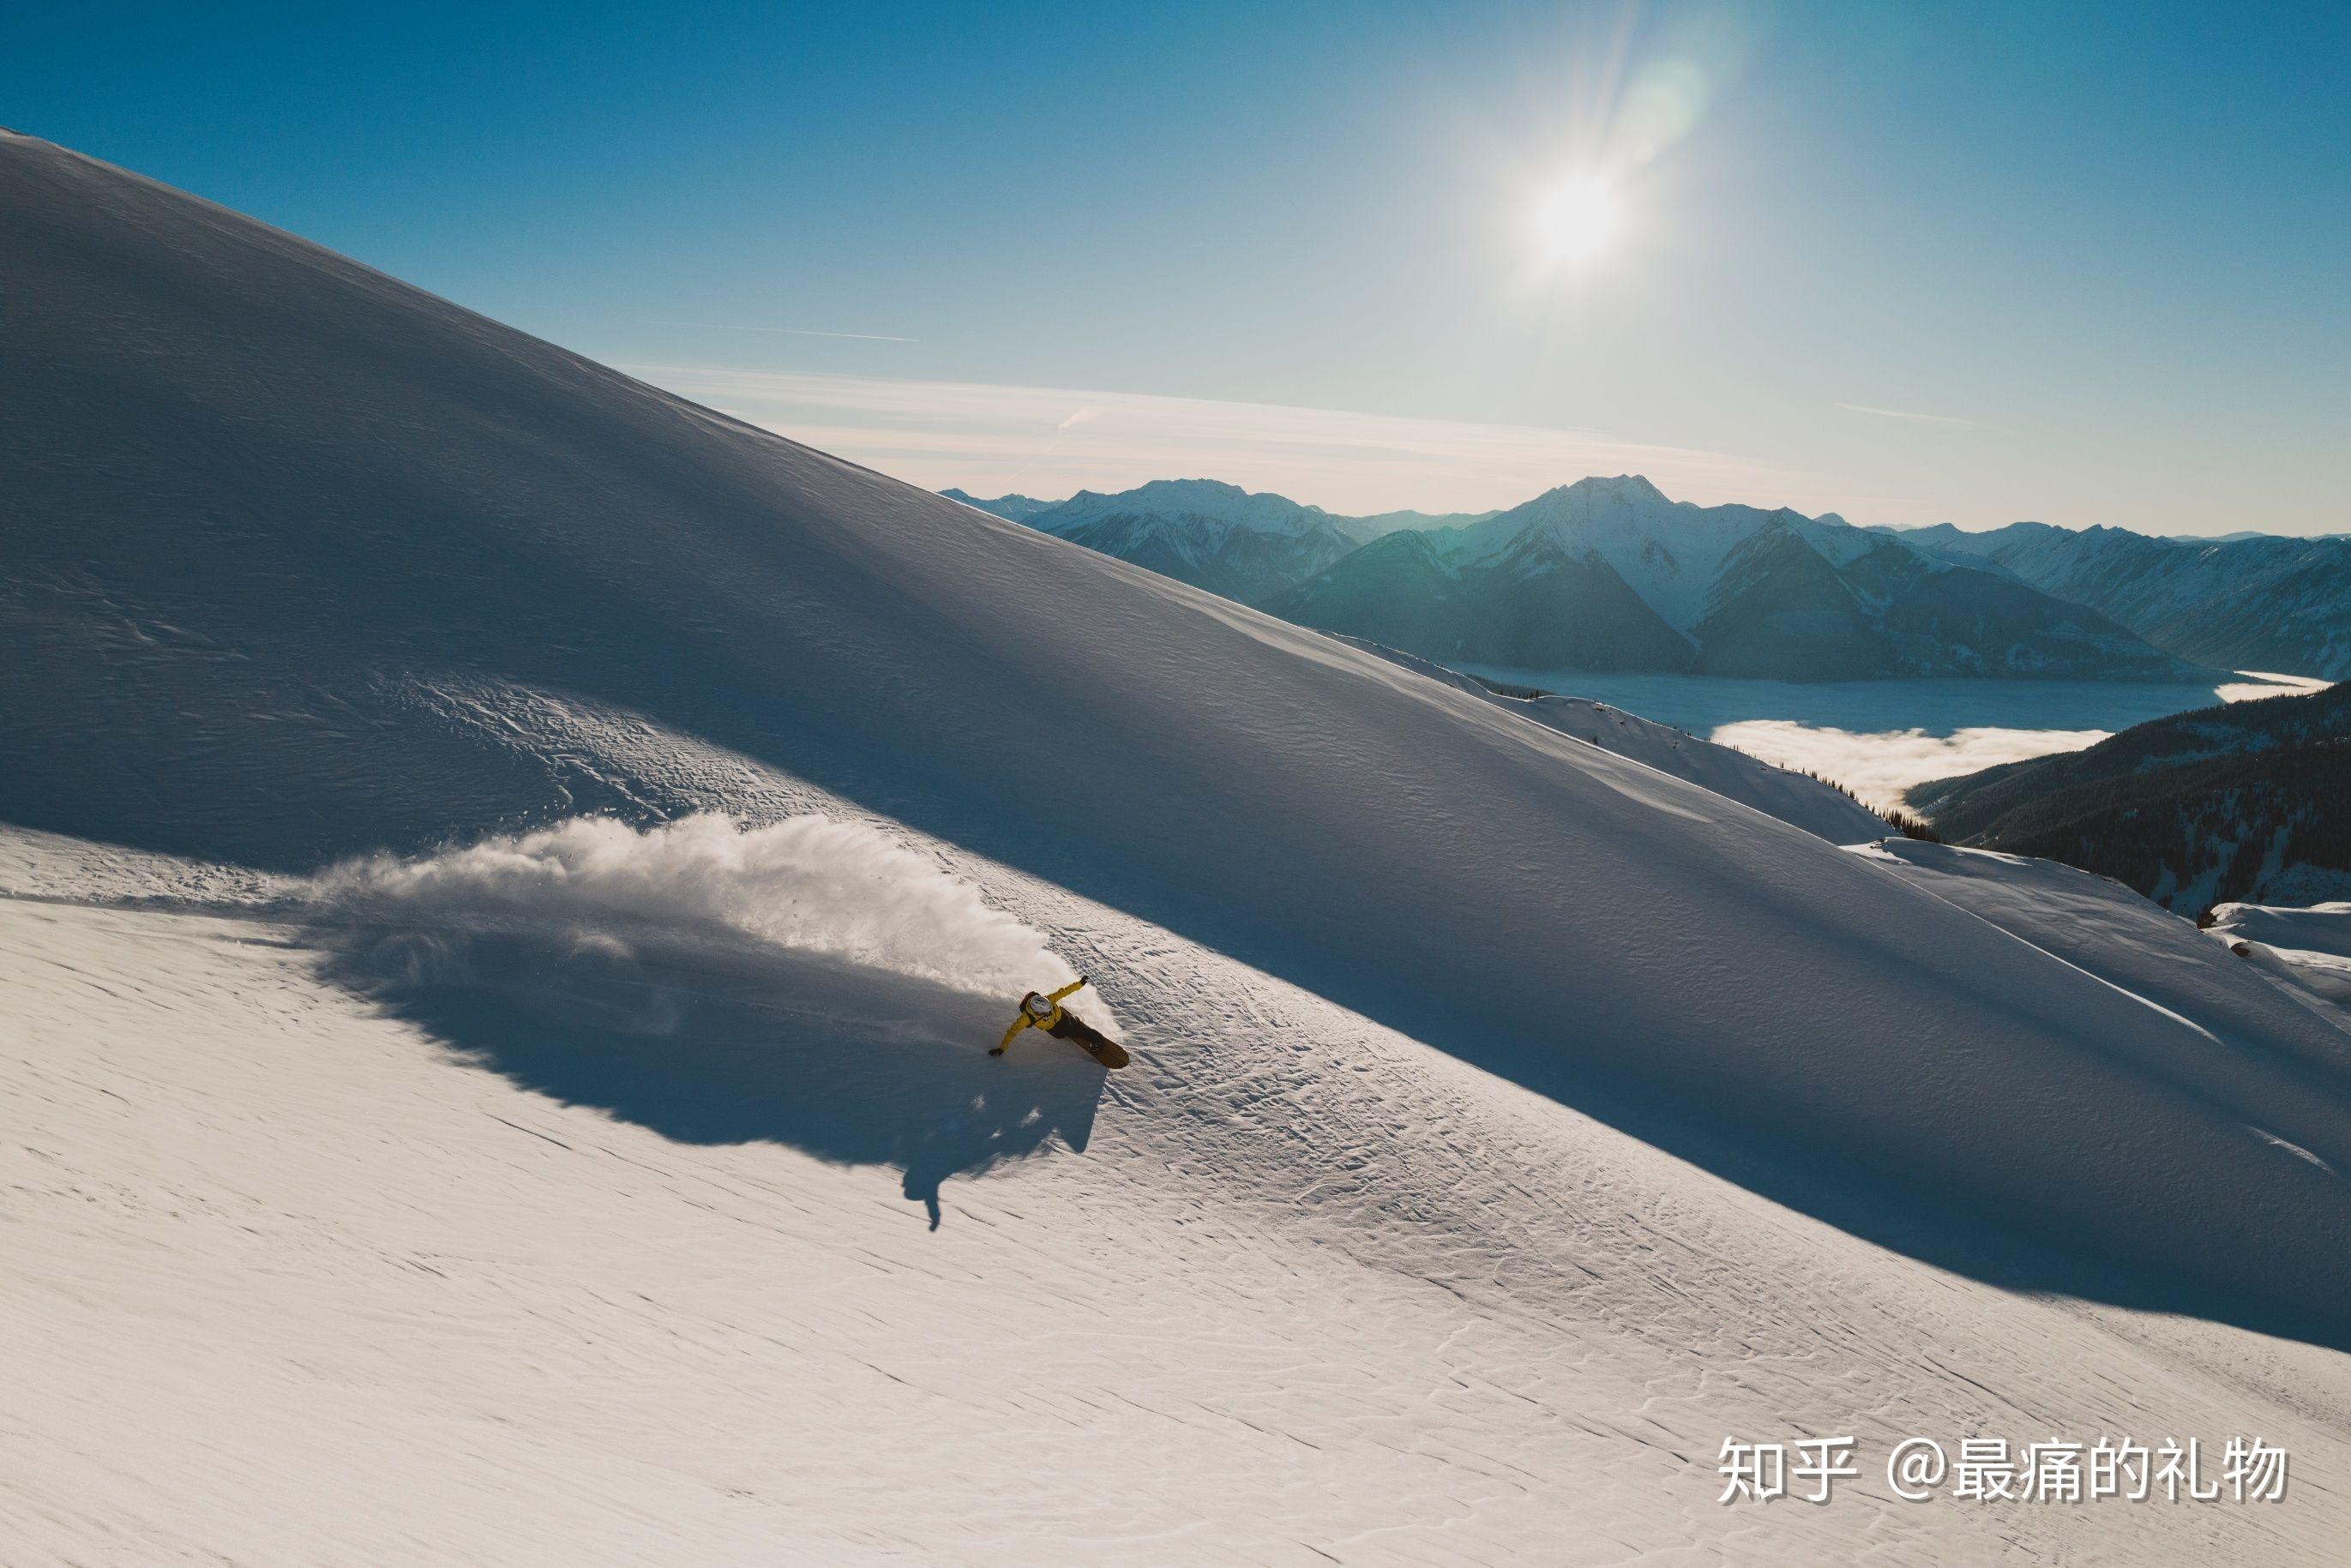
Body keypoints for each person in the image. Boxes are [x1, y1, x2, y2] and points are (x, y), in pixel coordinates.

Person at [993, 976, 1119, 1060]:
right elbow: (1012, 1032)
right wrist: (1001, 1048)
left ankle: (1096, 1038)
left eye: (1050, 1008)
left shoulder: (1049, 999)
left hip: (1060, 1018)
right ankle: (1072, 1024)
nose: (1049, 1011)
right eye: (1046, 1012)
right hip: (1050, 1027)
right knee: (1060, 1036)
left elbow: (1064, 991)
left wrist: (1079, 984)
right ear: (1038, 1011)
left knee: (1072, 1031)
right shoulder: (1026, 1018)